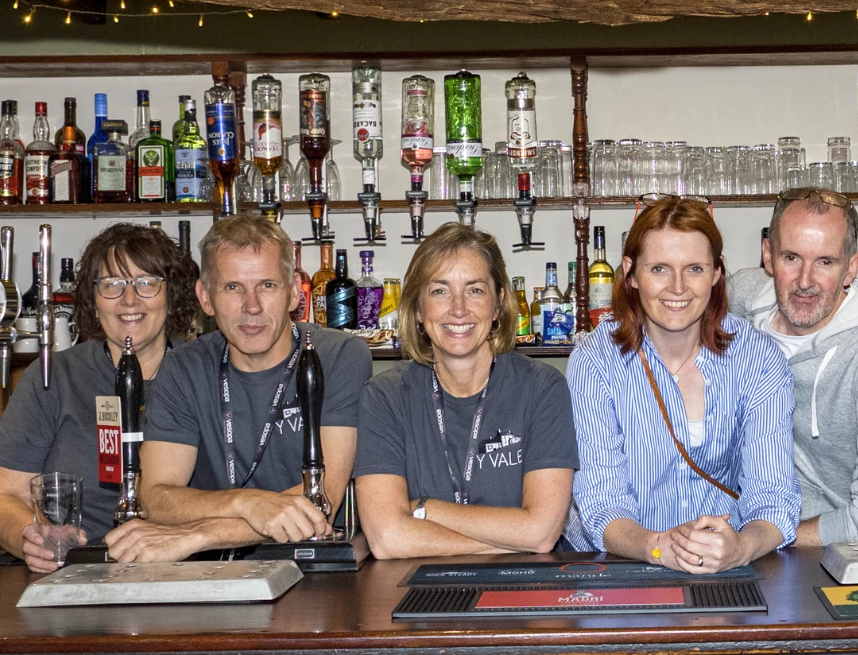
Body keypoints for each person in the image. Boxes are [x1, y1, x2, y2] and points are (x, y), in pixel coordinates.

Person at [566, 195, 800, 572]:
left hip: (725, 568)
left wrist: (742, 547)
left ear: (717, 273)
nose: (677, 287)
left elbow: (772, 496)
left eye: (694, 269)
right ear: (630, 273)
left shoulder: (757, 357)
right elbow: (601, 504)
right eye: (659, 268)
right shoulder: (595, 361)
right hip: (621, 567)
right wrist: (658, 546)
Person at [129, 214, 372, 561]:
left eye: (267, 286)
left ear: (293, 294)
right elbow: (154, 498)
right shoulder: (184, 366)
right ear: (205, 298)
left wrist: (200, 534)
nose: (252, 306)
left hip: (311, 568)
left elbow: (320, 500)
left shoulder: (338, 356)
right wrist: (248, 502)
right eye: (233, 287)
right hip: (211, 578)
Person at [354, 223, 577, 559]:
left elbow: (543, 532)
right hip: (414, 595)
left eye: (474, 290)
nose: (458, 309)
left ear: (499, 303)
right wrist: (515, 538)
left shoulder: (541, 388)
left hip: (521, 594)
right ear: (417, 308)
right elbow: (386, 539)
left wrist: (425, 509)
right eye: (439, 291)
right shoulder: (385, 396)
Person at [0, 223, 201, 573]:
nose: (129, 300)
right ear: (92, 297)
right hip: (76, 572)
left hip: (188, 571)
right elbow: (6, 494)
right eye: (111, 284)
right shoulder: (53, 377)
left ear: (172, 293)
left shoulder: (202, 374)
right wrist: (31, 537)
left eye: (146, 282)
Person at [728, 187, 858, 545]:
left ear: (852, 268)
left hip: (829, 550)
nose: (805, 282)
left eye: (825, 262)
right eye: (791, 258)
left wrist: (758, 540)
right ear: (768, 256)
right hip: (736, 535)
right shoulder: (741, 298)